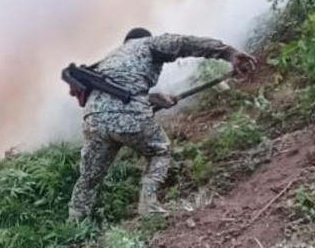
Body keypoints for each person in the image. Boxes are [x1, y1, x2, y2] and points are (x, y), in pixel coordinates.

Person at [67, 27, 256, 220]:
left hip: (93, 119)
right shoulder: (148, 43)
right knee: (159, 150)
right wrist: (228, 53)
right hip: (127, 114)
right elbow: (185, 43)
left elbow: (121, 92)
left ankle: (75, 222)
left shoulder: (110, 60)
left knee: (90, 176)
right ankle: (149, 206)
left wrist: (153, 99)